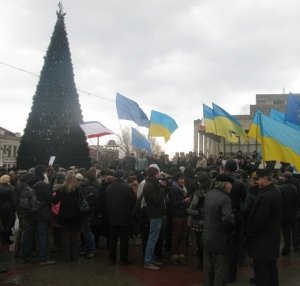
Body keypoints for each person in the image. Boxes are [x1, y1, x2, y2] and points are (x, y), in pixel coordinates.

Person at [246, 168, 282, 286]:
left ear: (265, 179)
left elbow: (259, 220)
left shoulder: (266, 196)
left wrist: (250, 233)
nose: (257, 182)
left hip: (263, 241)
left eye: (259, 179)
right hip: (271, 239)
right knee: (271, 269)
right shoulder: (273, 191)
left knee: (262, 272)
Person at [203, 174, 235, 286]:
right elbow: (227, 220)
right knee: (220, 271)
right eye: (230, 184)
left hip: (207, 237)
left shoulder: (209, 194)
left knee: (208, 269)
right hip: (220, 239)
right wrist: (231, 230)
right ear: (225, 185)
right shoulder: (225, 198)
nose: (231, 186)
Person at [20, 165, 55, 266]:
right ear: (42, 173)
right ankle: (43, 258)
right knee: (41, 235)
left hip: (29, 213)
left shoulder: (27, 183)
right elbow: (50, 200)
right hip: (41, 214)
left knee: (28, 234)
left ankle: (24, 255)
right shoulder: (43, 185)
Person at [106, 169, 136, 265]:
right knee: (124, 240)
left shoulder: (109, 187)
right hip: (125, 217)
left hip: (112, 217)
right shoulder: (127, 188)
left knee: (113, 239)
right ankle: (123, 259)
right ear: (123, 176)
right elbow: (133, 202)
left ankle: (112, 258)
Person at [53, 171, 82, 261]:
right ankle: (75, 256)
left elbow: (55, 201)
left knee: (65, 236)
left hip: (64, 214)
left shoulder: (61, 189)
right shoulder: (78, 188)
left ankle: (67, 256)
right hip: (76, 214)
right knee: (75, 235)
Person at [143, 166, 167, 270]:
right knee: (152, 239)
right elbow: (156, 200)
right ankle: (147, 262)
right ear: (154, 174)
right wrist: (162, 188)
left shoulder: (151, 183)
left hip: (156, 214)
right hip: (155, 214)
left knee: (153, 238)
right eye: (158, 173)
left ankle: (151, 260)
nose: (159, 175)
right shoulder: (149, 186)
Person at [168, 172, 190, 265]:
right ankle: (175, 254)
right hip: (177, 215)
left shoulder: (182, 188)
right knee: (177, 235)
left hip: (183, 214)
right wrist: (184, 201)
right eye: (180, 179)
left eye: (183, 179)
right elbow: (172, 203)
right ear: (176, 180)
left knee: (183, 235)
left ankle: (181, 253)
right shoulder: (174, 189)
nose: (182, 180)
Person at [279, 171, 298, 256]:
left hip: (284, 212)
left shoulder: (281, 187)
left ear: (284, 177)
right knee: (294, 229)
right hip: (293, 212)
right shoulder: (294, 187)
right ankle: (296, 245)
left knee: (286, 231)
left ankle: (286, 249)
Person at [0, 174, 16, 245]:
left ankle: (2, 238)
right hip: (8, 208)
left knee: (1, 223)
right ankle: (6, 239)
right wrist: (14, 209)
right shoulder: (11, 188)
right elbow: (14, 201)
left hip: (1, 207)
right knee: (9, 224)